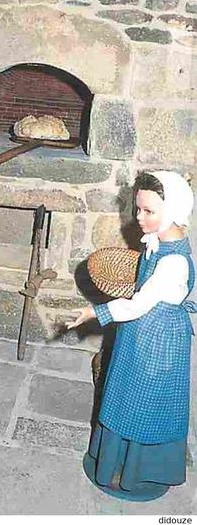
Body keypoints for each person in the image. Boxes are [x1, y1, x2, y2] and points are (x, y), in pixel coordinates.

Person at [67, 170, 196, 501]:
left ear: (172, 210)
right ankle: (115, 462)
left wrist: (93, 312)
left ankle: (138, 471)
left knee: (143, 403)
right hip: (143, 333)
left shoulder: (174, 261)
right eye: (138, 209)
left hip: (157, 338)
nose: (139, 217)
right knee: (124, 393)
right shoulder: (163, 239)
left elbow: (137, 305)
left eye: (149, 211)